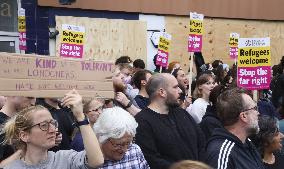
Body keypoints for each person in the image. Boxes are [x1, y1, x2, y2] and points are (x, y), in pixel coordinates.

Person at [3, 90, 104, 169]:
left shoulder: (65, 159)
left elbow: (97, 161)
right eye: (44, 125)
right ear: (24, 136)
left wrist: (80, 116)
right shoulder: (12, 167)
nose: (53, 130)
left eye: (52, 123)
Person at [135, 73, 206, 169]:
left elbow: (201, 141)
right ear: (162, 92)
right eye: (175, 87)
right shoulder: (142, 121)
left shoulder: (181, 113)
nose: (180, 91)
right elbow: (151, 159)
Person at [206, 88, 265, 169]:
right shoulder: (221, 153)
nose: (258, 113)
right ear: (244, 116)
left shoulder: (247, 142)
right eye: (254, 108)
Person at [0, 96, 36, 167]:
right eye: (29, 97)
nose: (33, 103)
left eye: (35, 98)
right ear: (13, 94)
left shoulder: (25, 123)